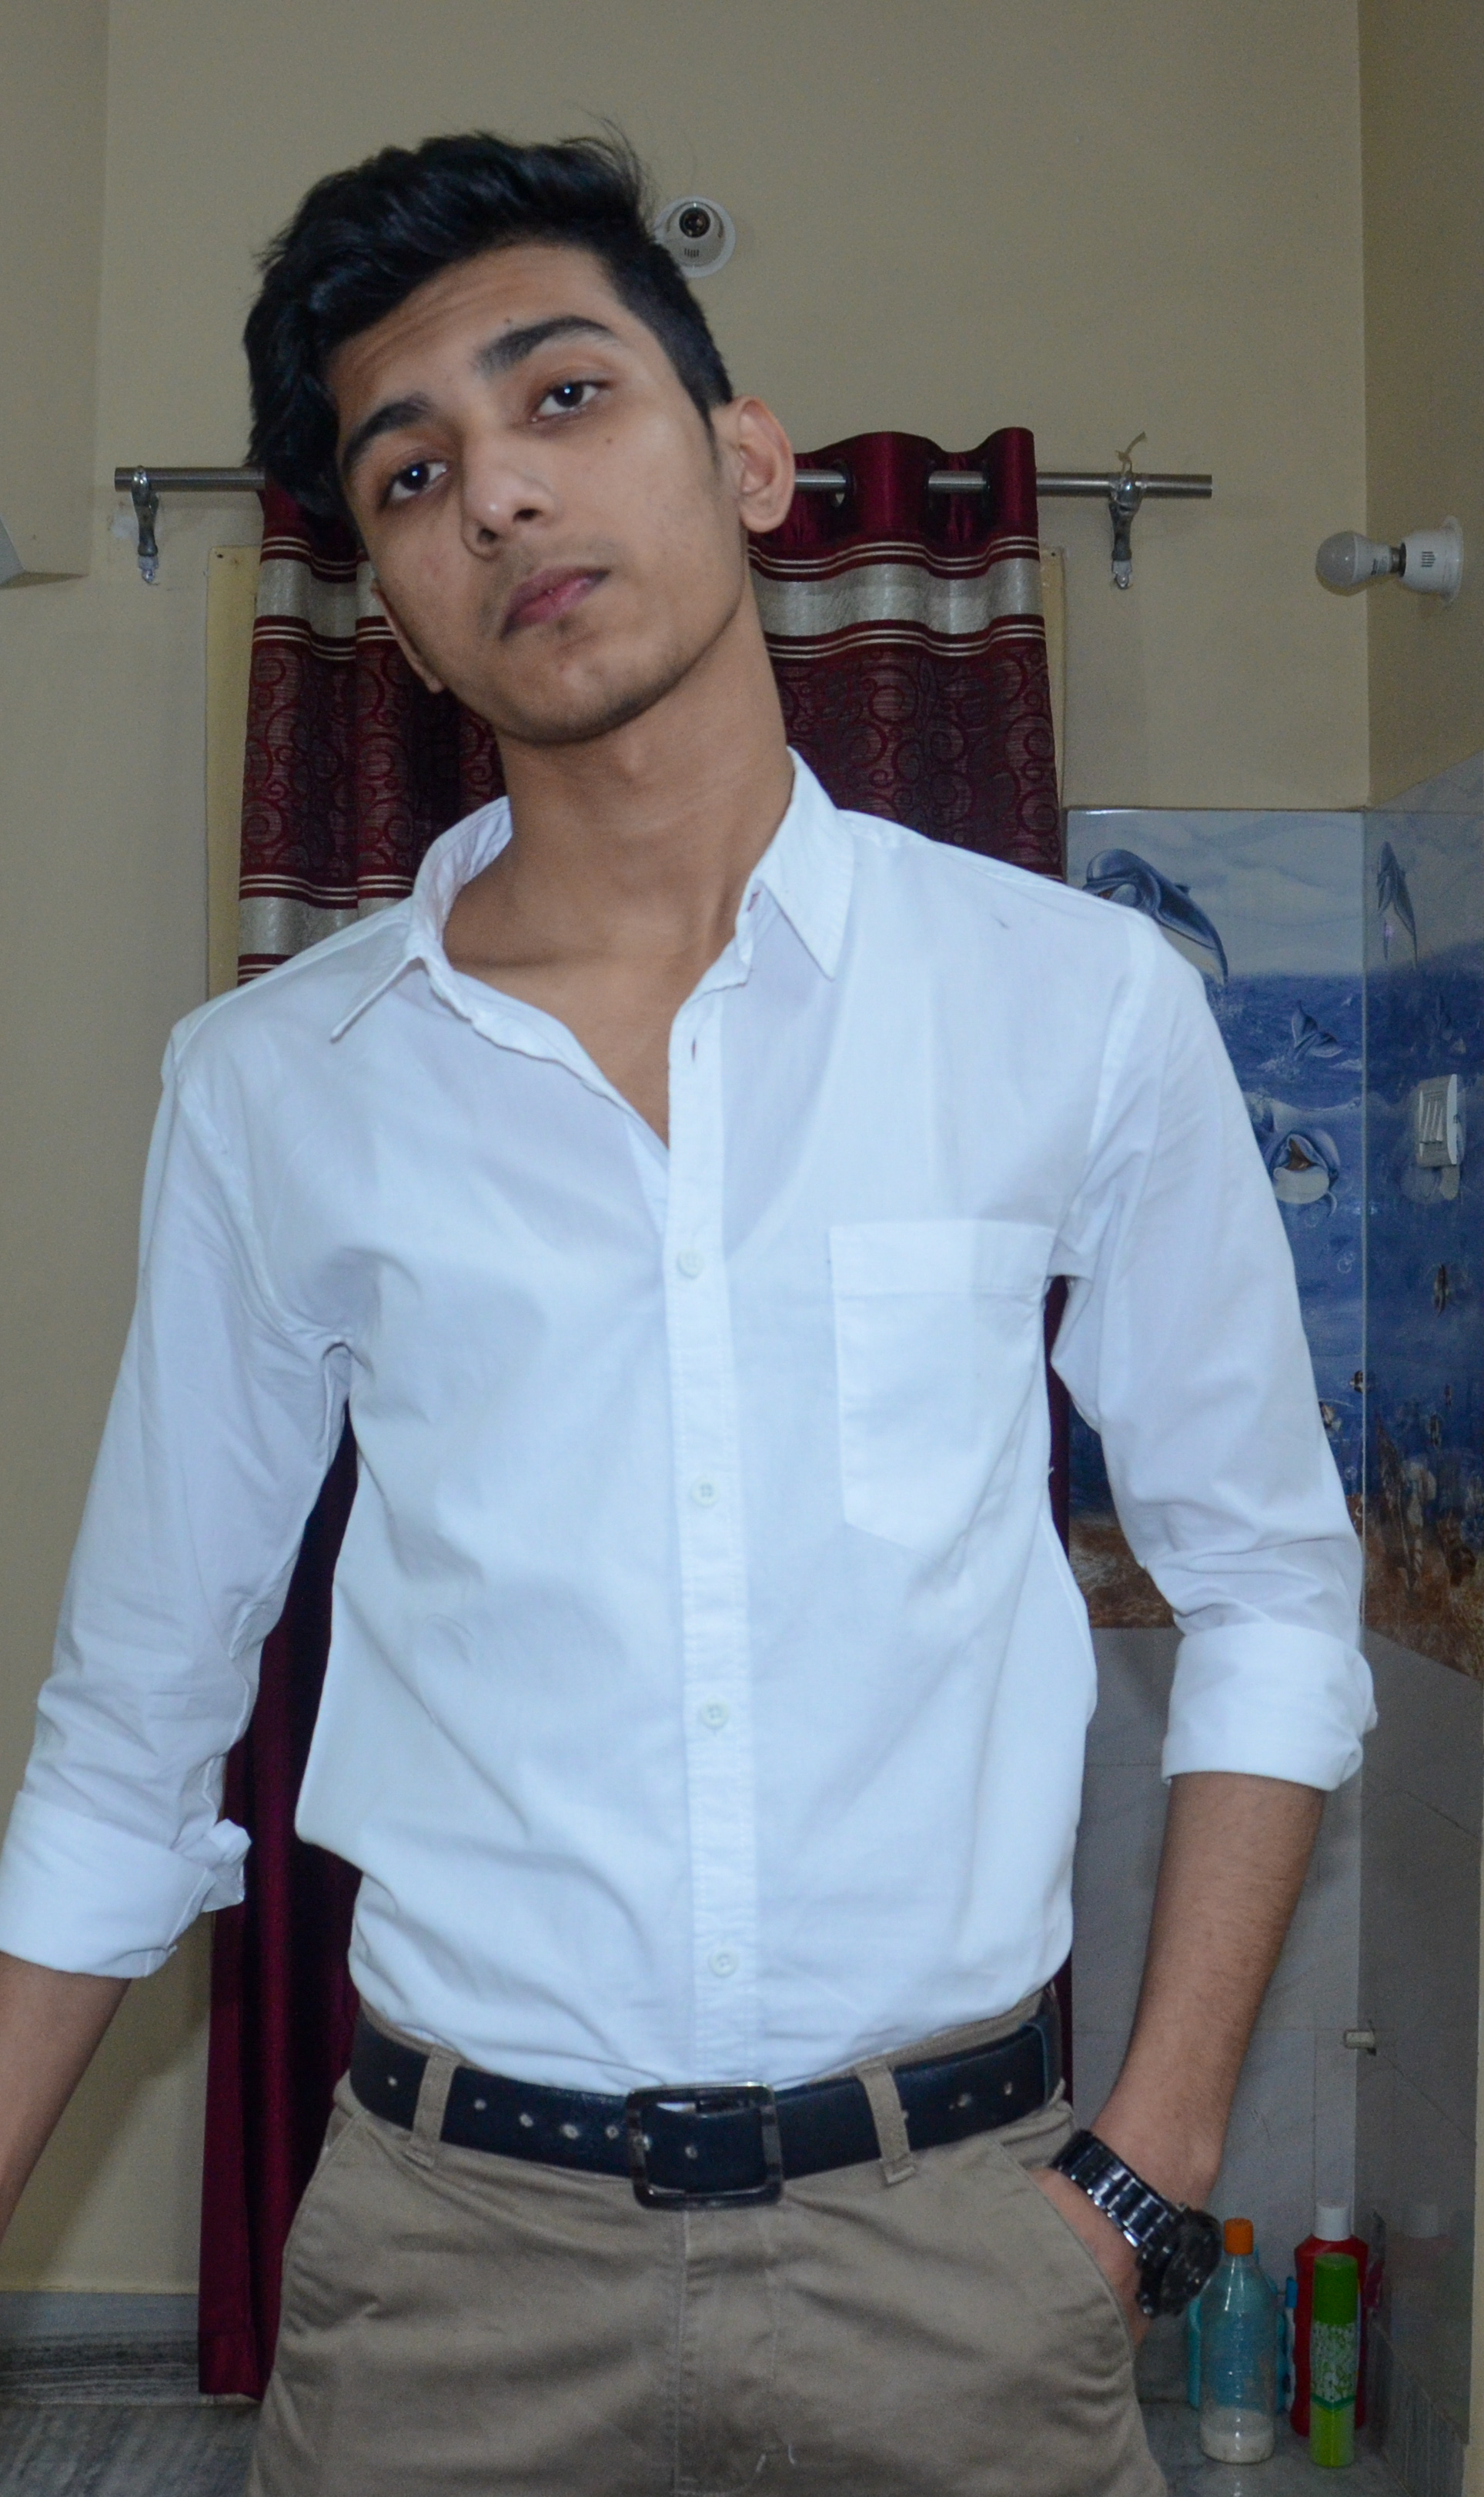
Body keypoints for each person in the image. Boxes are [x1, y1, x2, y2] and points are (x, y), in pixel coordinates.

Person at [0, 132, 1370, 2496]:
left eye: (563, 396)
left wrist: (1144, 2170)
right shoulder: (272, 1087)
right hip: (449, 2279)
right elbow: (133, 1738)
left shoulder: (1073, 1002)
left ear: (745, 461)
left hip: (967, 2257)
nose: (500, 495)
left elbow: (1269, 1585)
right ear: (396, 614)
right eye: (411, 472)